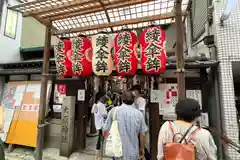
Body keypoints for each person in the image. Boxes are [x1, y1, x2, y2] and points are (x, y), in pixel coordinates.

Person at [103, 91, 148, 160]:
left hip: (117, 151)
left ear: (122, 99)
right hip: (133, 153)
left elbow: (105, 129)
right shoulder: (139, 114)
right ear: (133, 100)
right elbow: (143, 134)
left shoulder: (114, 111)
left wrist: (107, 139)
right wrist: (142, 148)